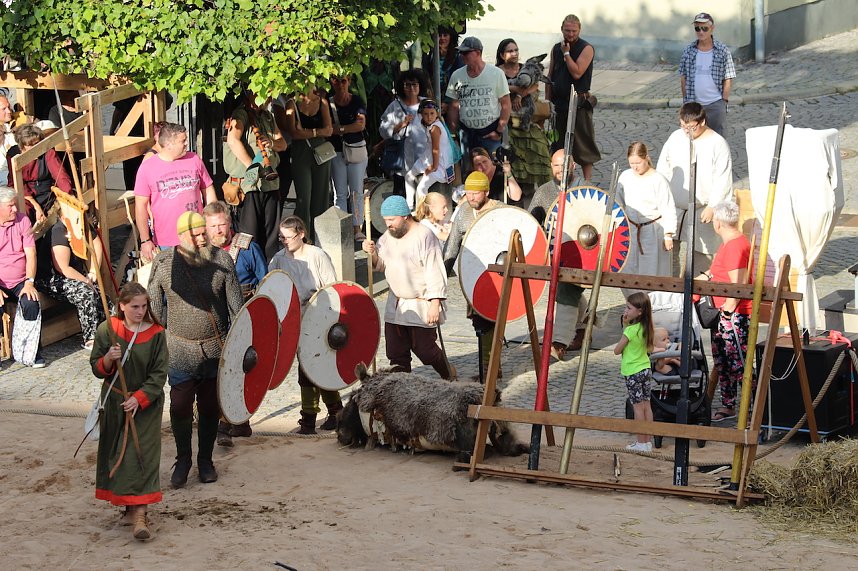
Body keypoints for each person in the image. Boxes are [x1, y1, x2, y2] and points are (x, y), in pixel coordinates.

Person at [148, 211, 243, 487]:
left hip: (215, 347)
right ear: (181, 237)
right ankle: (183, 459)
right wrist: (168, 329)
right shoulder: (165, 263)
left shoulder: (222, 260)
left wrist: (239, 342)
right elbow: (154, 305)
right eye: (196, 235)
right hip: (179, 349)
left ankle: (205, 460)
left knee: (210, 407)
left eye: (205, 233)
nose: (203, 239)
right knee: (179, 407)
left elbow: (236, 306)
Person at [89, 282, 167, 541]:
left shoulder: (157, 333)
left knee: (141, 455)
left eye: (144, 306)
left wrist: (140, 398)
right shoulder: (108, 329)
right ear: (122, 306)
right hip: (115, 403)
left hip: (145, 407)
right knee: (119, 456)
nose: (140, 311)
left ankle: (141, 518)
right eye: (134, 307)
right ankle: (128, 508)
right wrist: (109, 358)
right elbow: (97, 368)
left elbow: (158, 374)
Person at [361, 195, 451, 379]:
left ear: (405, 216)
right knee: (396, 354)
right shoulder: (387, 238)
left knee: (426, 351)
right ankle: (402, 391)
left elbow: (435, 270)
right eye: (386, 220)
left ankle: (448, 374)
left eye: (391, 220)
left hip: (421, 302)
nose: (388, 224)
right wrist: (371, 254)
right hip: (396, 304)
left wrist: (435, 303)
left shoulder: (424, 236)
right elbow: (380, 265)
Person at [270, 215, 344, 434]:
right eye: (281, 237)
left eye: (288, 237)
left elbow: (332, 288)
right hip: (292, 319)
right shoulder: (278, 259)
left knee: (312, 368)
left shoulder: (317, 256)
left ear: (301, 234)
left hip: (317, 318)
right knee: (310, 368)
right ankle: (336, 412)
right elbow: (273, 287)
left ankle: (309, 420)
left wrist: (329, 320)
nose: (284, 241)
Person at [203, 200, 268, 447]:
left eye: (222, 224)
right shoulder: (202, 251)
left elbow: (265, 282)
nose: (219, 230)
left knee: (242, 370)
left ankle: (239, 422)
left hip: (244, 315)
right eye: (214, 226)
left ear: (230, 222)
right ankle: (223, 423)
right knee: (220, 371)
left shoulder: (248, 247)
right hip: (214, 318)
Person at [655, 102, 733, 277]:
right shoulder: (675, 138)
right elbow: (663, 168)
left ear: (702, 121)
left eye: (691, 127)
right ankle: (670, 294)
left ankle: (696, 299)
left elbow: (723, 178)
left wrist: (713, 206)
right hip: (674, 206)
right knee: (668, 254)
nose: (687, 132)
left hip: (701, 209)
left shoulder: (718, 144)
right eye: (683, 126)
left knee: (701, 257)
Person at [443, 171, 506, 378]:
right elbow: (453, 247)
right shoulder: (463, 213)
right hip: (475, 277)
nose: (471, 197)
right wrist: (443, 271)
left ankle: (488, 369)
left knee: (489, 320)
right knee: (479, 321)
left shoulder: (500, 211)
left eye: (476, 194)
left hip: (498, 274)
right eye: (468, 193)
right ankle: (492, 367)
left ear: (486, 192)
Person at [529, 149, 588, 357]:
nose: (559, 170)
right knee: (567, 288)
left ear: (573, 166)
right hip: (553, 251)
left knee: (566, 290)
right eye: (555, 165)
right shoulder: (544, 192)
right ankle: (584, 322)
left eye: (563, 165)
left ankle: (559, 341)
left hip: (581, 251)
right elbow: (532, 222)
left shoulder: (586, 190)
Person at [697, 201, 752, 422]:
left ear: (718, 222)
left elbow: (737, 284)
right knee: (723, 363)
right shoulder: (728, 243)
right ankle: (729, 404)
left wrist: (728, 312)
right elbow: (717, 271)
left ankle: (750, 410)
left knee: (738, 362)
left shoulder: (736, 245)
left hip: (732, 314)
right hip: (722, 312)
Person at [134, 122, 217, 262]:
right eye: (183, 141)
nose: (186, 144)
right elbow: (140, 205)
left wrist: (212, 222)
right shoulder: (147, 167)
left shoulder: (194, 159)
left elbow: (208, 189)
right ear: (169, 144)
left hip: (198, 234)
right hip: (167, 240)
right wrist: (145, 240)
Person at [223, 91, 288, 260]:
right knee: (249, 237)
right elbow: (232, 140)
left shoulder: (266, 116)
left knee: (271, 236)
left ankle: (271, 276)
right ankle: (251, 280)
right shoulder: (240, 114)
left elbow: (283, 144)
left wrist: (272, 143)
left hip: (270, 183)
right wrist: (252, 165)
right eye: (265, 92)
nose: (269, 97)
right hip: (249, 185)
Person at [34, 213, 108, 351]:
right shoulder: (58, 231)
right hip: (50, 279)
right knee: (86, 293)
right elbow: (63, 268)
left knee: (103, 298)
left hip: (72, 276)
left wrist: (93, 272)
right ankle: (90, 338)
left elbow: (96, 243)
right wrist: (86, 281)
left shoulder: (81, 225)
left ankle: (111, 329)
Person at [546, 14, 601, 182]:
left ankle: (587, 181)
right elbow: (550, 75)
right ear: (562, 29)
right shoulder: (556, 48)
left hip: (579, 104)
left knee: (583, 145)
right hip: (559, 103)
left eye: (573, 31)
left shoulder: (586, 48)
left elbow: (577, 72)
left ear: (579, 30)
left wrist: (567, 53)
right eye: (567, 30)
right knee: (559, 144)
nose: (570, 34)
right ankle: (558, 179)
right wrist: (548, 101)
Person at [617, 141, 677, 292]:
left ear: (646, 158)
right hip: (630, 230)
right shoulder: (625, 177)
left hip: (652, 231)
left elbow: (668, 207)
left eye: (638, 162)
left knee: (652, 270)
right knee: (629, 269)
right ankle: (633, 305)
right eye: (631, 163)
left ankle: (651, 306)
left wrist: (668, 234)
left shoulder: (658, 180)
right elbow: (617, 202)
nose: (635, 167)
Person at [276, 87, 334, 243]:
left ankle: (320, 238)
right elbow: (293, 133)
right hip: (301, 152)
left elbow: (329, 130)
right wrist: (317, 131)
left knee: (321, 197)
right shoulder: (291, 104)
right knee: (304, 197)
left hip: (321, 152)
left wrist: (307, 132)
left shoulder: (322, 102)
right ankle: (302, 239)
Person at [496, 38, 552, 188]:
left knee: (540, 151)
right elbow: (498, 89)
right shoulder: (498, 71)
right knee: (514, 159)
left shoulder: (525, 68)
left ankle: (537, 191)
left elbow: (535, 86)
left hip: (527, 118)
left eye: (516, 50)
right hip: (508, 121)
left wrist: (520, 95)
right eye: (509, 51)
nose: (514, 53)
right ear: (502, 55)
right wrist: (514, 90)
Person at [445, 36, 511, 158]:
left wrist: (498, 131)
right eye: (460, 52)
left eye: (466, 52)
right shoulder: (457, 75)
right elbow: (453, 106)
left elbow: (506, 104)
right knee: (468, 170)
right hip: (466, 134)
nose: (462, 55)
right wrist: (453, 135)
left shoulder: (496, 74)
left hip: (490, 133)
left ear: (478, 53)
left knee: (492, 168)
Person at [0, 185, 44, 367]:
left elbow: (31, 254)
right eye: (10, 206)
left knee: (31, 302)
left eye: (14, 205)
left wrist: (29, 282)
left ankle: (33, 352)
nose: (15, 209)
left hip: (21, 281)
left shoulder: (23, 221)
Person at [679, 12, 736, 138]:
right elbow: (683, 77)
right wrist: (686, 101)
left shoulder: (722, 50)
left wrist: (724, 101)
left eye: (704, 28)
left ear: (712, 28)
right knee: (693, 139)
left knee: (718, 139)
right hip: (694, 104)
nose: (701, 32)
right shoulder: (689, 51)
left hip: (715, 103)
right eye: (697, 28)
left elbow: (728, 76)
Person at [5, 124, 73, 228]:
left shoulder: (48, 152)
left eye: (36, 144)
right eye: (29, 145)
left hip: (46, 194)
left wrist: (68, 197)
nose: (34, 148)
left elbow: (60, 175)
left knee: (63, 213)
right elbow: (17, 184)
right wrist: (36, 207)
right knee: (23, 213)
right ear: (22, 146)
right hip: (25, 196)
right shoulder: (13, 155)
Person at [613, 291, 655, 452]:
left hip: (632, 371)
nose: (626, 311)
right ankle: (648, 441)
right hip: (645, 368)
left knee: (637, 407)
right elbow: (649, 348)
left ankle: (640, 443)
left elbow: (617, 350)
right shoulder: (647, 328)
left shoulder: (630, 331)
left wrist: (625, 329)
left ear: (639, 311)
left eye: (629, 308)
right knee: (647, 406)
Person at [379, 69, 429, 201]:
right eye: (407, 85)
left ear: (420, 86)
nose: (411, 88)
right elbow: (383, 130)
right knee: (402, 197)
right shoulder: (395, 106)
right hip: (403, 162)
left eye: (415, 84)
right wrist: (401, 125)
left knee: (424, 197)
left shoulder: (427, 104)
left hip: (425, 160)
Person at [329, 75, 369, 240]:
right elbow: (328, 129)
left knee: (356, 192)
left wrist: (340, 129)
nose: (340, 84)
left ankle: (356, 228)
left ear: (349, 82)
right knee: (339, 193)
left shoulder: (357, 100)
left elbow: (360, 124)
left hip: (356, 150)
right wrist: (347, 128)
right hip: (336, 151)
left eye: (343, 81)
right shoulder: (328, 101)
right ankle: (342, 229)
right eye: (336, 81)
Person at [410, 99, 454, 206]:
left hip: (440, 166)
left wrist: (433, 167)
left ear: (437, 114)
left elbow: (436, 149)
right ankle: (410, 205)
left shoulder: (435, 128)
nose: (429, 117)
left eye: (432, 113)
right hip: (436, 161)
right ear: (421, 115)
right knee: (410, 174)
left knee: (421, 189)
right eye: (426, 114)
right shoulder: (433, 125)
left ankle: (422, 212)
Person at [422, 26, 465, 103]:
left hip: (451, 99)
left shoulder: (458, 56)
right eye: (439, 35)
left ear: (451, 37)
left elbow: (460, 81)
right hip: (432, 97)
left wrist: (448, 103)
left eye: (445, 35)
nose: (442, 38)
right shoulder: (429, 55)